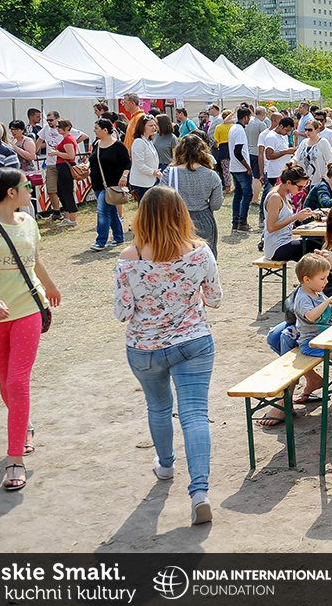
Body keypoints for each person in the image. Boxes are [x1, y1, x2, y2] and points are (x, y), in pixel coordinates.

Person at [114, 186, 221, 525]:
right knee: (195, 414)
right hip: (193, 341)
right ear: (181, 214)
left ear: (142, 216)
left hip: (145, 347)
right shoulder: (200, 252)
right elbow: (215, 298)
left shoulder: (127, 260)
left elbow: (122, 312)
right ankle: (200, 491)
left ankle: (166, 464)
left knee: (158, 407)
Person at [0, 168, 61, 491]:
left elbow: (33, 260)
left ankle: (14, 458)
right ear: (10, 192)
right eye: (25, 185)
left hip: (28, 309)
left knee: (18, 380)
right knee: (6, 381)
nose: (30, 189)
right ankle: (24, 424)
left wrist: (50, 286)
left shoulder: (29, 222)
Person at [257, 253, 332, 426]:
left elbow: (327, 316)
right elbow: (312, 317)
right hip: (311, 342)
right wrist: (326, 302)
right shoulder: (303, 298)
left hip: (324, 337)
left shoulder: (317, 293)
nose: (326, 282)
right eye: (322, 278)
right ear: (306, 279)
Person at [167, 134, 224, 257]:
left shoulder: (169, 173)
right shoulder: (211, 175)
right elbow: (216, 205)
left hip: (177, 219)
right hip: (204, 219)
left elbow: (162, 200)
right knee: (206, 258)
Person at [89, 118, 131, 251]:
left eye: (96, 128)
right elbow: (93, 160)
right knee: (111, 211)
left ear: (105, 130)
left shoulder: (118, 146)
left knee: (102, 211)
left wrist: (124, 176)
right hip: (97, 183)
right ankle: (119, 237)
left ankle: (100, 241)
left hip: (111, 184)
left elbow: (127, 162)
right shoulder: (97, 144)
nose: (94, 130)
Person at [263, 163, 314, 262]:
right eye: (299, 187)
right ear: (289, 182)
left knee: (315, 245)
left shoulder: (284, 195)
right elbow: (271, 227)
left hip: (285, 242)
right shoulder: (275, 197)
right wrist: (296, 217)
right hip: (276, 247)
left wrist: (300, 216)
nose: (301, 191)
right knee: (314, 248)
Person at [48, 119, 80, 227]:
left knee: (66, 192)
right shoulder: (66, 139)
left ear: (66, 128)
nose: (57, 129)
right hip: (62, 167)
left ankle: (72, 218)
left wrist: (56, 152)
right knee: (62, 191)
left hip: (65, 167)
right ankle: (68, 216)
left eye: (59, 127)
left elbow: (70, 156)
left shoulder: (67, 139)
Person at [228, 108, 253, 231]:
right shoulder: (240, 131)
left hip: (234, 166)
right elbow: (237, 152)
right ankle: (242, 222)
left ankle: (235, 221)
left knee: (238, 195)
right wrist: (247, 167)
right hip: (241, 168)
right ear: (245, 117)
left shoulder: (233, 128)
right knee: (247, 194)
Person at [128, 113, 161, 201]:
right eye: (150, 125)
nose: (154, 128)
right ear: (142, 127)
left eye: (154, 125)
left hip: (151, 180)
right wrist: (154, 172)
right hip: (141, 183)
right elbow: (140, 165)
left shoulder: (148, 141)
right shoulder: (139, 142)